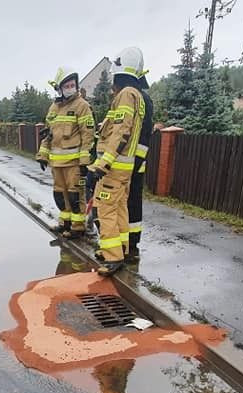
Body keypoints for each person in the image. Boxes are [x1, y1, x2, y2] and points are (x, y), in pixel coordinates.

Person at [86, 47, 148, 276]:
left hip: (113, 167)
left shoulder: (126, 95)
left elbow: (122, 131)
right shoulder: (137, 96)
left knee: (105, 209)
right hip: (124, 167)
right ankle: (119, 251)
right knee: (120, 208)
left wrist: (103, 164)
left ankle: (112, 257)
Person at [36, 67, 95, 238]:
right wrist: (42, 155)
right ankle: (65, 224)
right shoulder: (54, 108)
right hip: (56, 163)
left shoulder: (82, 106)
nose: (70, 87)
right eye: (67, 85)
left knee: (75, 196)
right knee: (60, 196)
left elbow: (88, 135)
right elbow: (48, 134)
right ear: (59, 88)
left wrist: (85, 162)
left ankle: (78, 228)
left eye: (72, 84)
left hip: (74, 164)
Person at [127, 68, 154, 262]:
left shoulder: (144, 101)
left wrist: (136, 161)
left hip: (134, 163)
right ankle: (126, 241)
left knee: (133, 202)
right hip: (124, 162)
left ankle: (132, 241)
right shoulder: (128, 98)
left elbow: (144, 136)